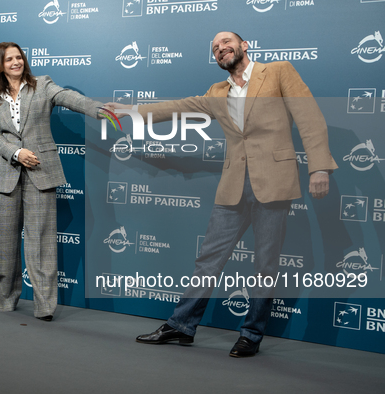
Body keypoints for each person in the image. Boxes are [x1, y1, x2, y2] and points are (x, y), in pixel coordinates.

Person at [108, 31, 337, 357]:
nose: (221, 48)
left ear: (245, 45)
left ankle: (251, 334)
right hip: (233, 187)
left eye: (226, 42)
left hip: (273, 184)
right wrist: (131, 110)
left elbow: (310, 118)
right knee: (208, 261)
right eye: (215, 48)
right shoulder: (217, 92)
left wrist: (319, 168)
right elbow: (178, 107)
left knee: (265, 266)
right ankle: (180, 325)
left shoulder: (278, 71)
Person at [0, 42, 106, 321]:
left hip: (41, 172)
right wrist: (16, 153)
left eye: (19, 57)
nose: (16, 62)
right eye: (9, 59)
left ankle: (44, 306)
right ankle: (4, 300)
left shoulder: (43, 84)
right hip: (6, 173)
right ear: (0, 65)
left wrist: (100, 110)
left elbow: (69, 98)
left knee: (41, 242)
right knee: (6, 244)